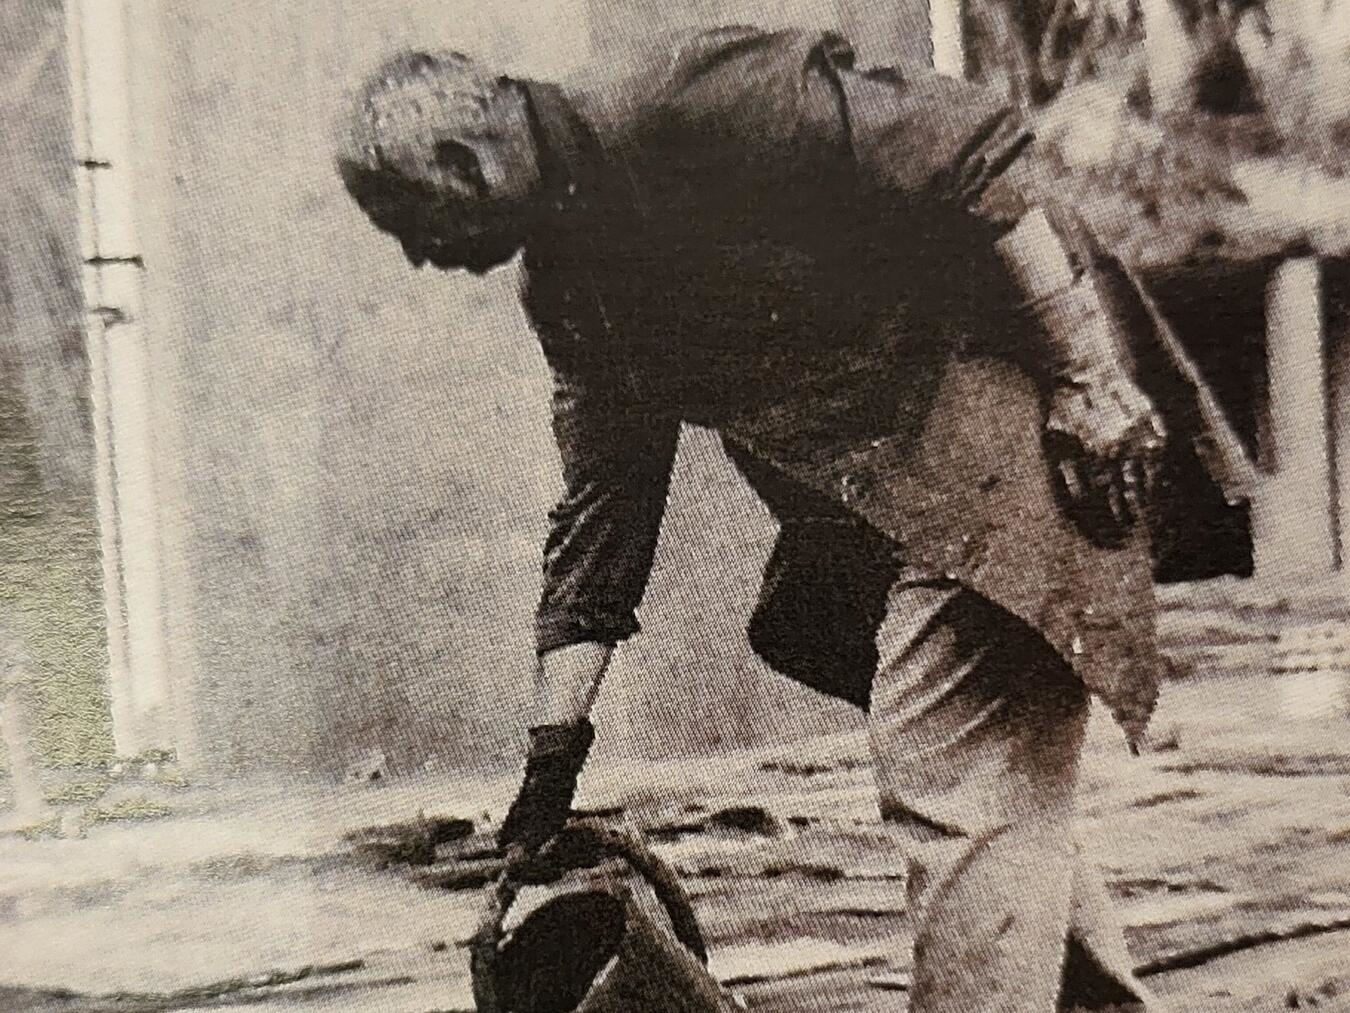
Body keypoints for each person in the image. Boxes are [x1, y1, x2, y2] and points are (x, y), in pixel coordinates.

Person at [333, 25, 1204, 1011]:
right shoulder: (571, 288)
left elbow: (968, 143)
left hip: (1017, 417)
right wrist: (549, 766)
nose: (416, 258)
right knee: (995, 790)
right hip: (903, 501)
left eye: (408, 221)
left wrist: (1087, 377)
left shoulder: (676, 99)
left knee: (954, 777)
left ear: (465, 161)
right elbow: (602, 517)